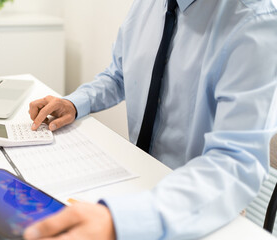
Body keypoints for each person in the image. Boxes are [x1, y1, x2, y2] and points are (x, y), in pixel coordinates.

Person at [24, 0, 277, 239]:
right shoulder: (147, 5)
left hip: (198, 205)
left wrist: (122, 221)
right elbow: (118, 76)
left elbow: (235, 163)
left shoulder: (253, 21)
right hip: (135, 179)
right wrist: (75, 103)